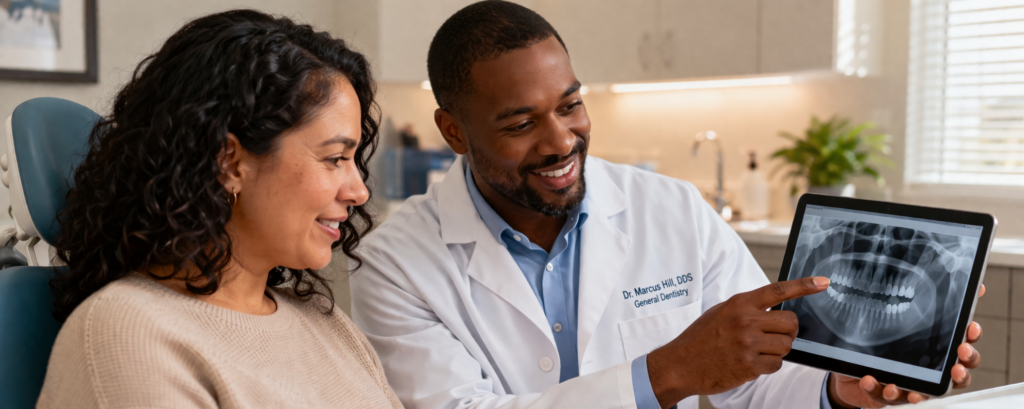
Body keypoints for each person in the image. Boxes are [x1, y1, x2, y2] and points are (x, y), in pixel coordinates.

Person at [349, 2, 984, 409]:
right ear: (454, 132)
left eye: (570, 105)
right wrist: (668, 371)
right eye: (520, 124)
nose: (561, 140)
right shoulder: (394, 264)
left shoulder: (672, 208)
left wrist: (838, 392)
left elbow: (756, 379)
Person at [38, 10, 402, 409]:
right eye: (335, 158)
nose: (359, 191)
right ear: (228, 162)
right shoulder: (129, 334)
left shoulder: (323, 321)